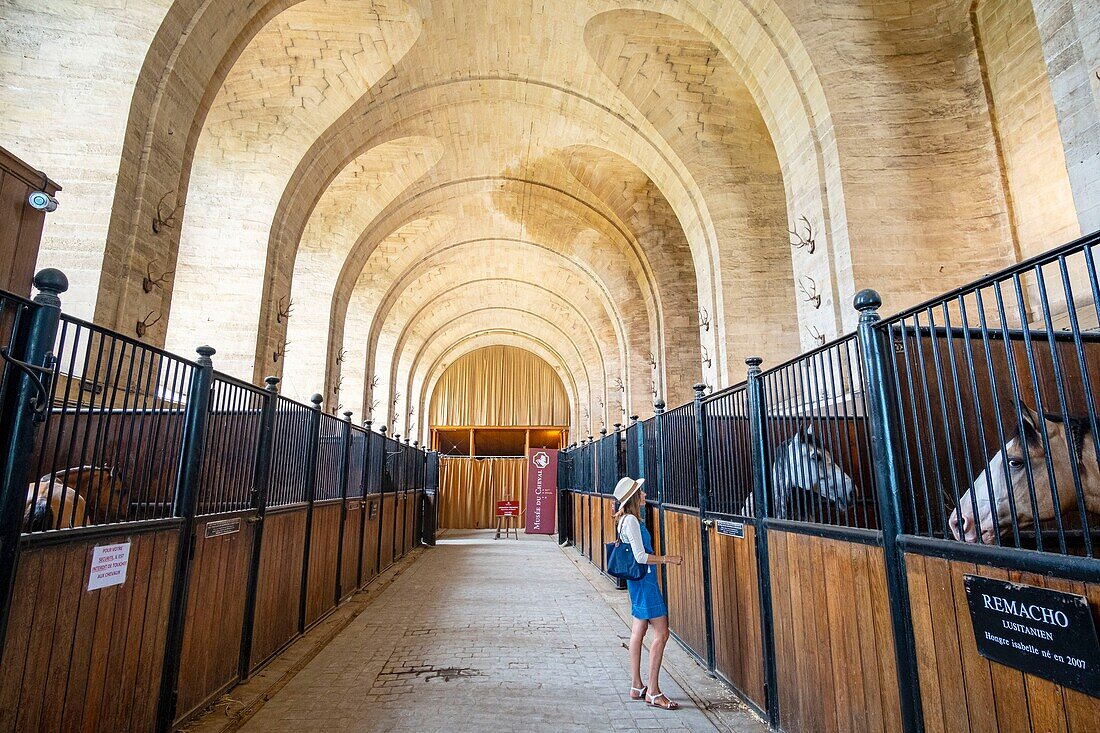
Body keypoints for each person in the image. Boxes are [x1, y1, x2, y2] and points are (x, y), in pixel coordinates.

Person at [612, 476, 683, 710]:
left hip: (638, 582)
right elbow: (640, 557)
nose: (644, 494)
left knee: (638, 631)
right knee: (662, 633)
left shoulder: (624, 520)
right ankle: (652, 691)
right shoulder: (631, 521)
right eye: (640, 492)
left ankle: (636, 685)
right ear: (633, 498)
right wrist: (667, 559)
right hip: (645, 581)